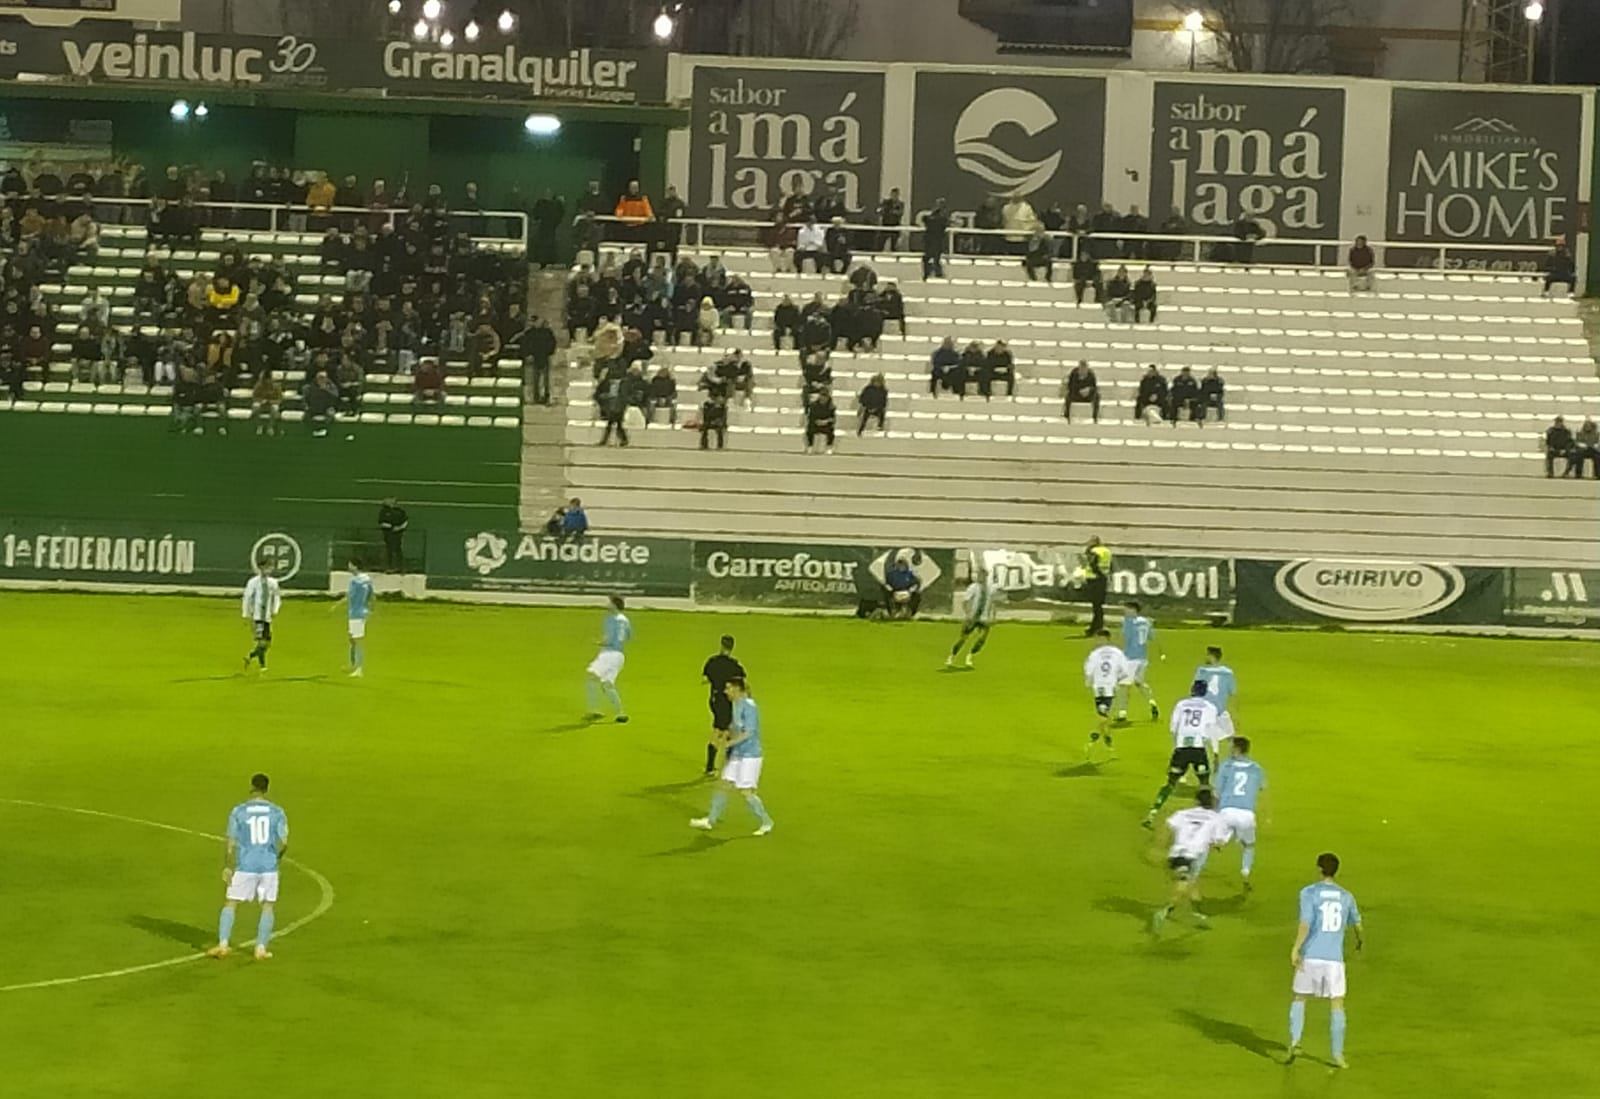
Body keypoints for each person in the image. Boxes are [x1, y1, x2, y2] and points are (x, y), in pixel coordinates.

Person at [1287, 853, 1364, 1069]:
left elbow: (1305, 923)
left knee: (1300, 997)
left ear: (1319, 869)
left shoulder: (1309, 892)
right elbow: (1358, 924)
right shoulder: (1346, 896)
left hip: (1311, 955)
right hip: (1334, 960)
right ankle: (1338, 1055)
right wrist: (1360, 941)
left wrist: (1296, 948)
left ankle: (1295, 1041)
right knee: (1337, 1003)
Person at [207, 773, 289, 961]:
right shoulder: (277, 812)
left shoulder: (239, 811)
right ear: (267, 789)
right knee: (267, 906)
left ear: (252, 787)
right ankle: (260, 949)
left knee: (231, 903)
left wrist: (228, 866)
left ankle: (223, 944)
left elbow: (231, 841)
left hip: (245, 865)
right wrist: (276, 859)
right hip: (268, 865)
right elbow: (284, 842)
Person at [691, 678, 774, 836]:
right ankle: (710, 820)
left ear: (737, 689)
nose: (725, 691)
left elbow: (749, 732)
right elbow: (734, 726)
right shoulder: (735, 705)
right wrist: (727, 736)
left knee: (746, 792)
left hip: (750, 756)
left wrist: (730, 743)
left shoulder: (750, 707)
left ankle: (766, 821)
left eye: (728, 688)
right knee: (724, 784)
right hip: (737, 753)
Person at [1144, 680, 1221, 827]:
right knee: (1204, 783)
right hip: (1198, 749)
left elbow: (1173, 728)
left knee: (1170, 783)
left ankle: (1152, 814)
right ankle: (1210, 819)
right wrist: (1216, 754)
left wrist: (1177, 745)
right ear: (1205, 692)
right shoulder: (1210, 707)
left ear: (1192, 689)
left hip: (1181, 749)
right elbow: (1212, 731)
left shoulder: (1181, 704)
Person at [1151, 788, 1224, 933]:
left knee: (1191, 885)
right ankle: (1164, 911)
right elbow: (1219, 841)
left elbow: (1167, 827)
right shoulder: (1216, 818)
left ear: (1197, 801)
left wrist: (1158, 847)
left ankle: (1197, 915)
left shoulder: (1182, 814)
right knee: (1183, 884)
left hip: (1177, 853)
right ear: (1213, 802)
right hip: (1191, 856)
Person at [1214, 736, 1266, 890]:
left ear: (1237, 749)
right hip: (1246, 814)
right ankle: (1245, 871)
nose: (1229, 750)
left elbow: (1216, 792)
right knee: (1249, 846)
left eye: (1232, 747)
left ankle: (1220, 841)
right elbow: (1262, 790)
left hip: (1227, 811)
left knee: (1214, 839)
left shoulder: (1226, 766)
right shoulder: (1256, 768)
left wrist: (1214, 812)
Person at [701, 635, 746, 776]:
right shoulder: (734, 665)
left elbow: (704, 679)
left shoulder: (712, 661)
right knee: (721, 731)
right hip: (725, 701)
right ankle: (717, 766)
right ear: (732, 647)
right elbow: (742, 680)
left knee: (725, 730)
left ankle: (721, 765)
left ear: (721, 645)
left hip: (714, 699)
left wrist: (716, 680)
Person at [1083, 628, 1130, 759]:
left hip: (1099, 688)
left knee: (1103, 718)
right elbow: (1125, 671)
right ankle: (1099, 743)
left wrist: (1089, 680)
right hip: (1109, 688)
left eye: (1098, 638)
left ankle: (1099, 743)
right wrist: (1116, 679)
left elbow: (1088, 671)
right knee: (1104, 718)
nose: (1097, 641)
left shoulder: (1095, 654)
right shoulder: (1117, 653)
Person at [584, 595, 631, 724]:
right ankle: (621, 713)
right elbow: (628, 636)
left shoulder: (611, 619)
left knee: (591, 678)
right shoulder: (625, 620)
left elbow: (609, 639)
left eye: (609, 602)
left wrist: (600, 642)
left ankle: (594, 711)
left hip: (609, 653)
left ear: (614, 605)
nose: (607, 604)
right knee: (607, 684)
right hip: (619, 655)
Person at [1115, 600, 1161, 721]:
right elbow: (1152, 638)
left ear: (1133, 610)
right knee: (1139, 682)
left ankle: (1122, 712)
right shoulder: (1146, 622)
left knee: (1124, 685)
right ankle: (1152, 702)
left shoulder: (1128, 622)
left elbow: (1125, 639)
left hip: (1131, 657)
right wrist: (1161, 653)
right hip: (1143, 657)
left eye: (1126, 609)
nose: (1124, 612)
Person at [947, 567, 1000, 669]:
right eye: (980, 575)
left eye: (984, 576)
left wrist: (993, 616)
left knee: (982, 639)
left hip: (984, 618)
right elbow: (965, 601)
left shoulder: (991, 589)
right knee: (963, 639)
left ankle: (970, 656)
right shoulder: (973, 588)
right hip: (973, 617)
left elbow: (993, 604)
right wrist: (968, 614)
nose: (982, 578)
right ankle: (952, 656)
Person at [241, 561, 282, 672]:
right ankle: (262, 665)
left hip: (267, 617)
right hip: (257, 616)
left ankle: (250, 657)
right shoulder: (253, 582)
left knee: (267, 643)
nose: (268, 570)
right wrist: (246, 614)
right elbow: (247, 598)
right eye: (266, 568)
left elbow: (277, 597)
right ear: (260, 569)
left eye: (270, 568)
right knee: (262, 642)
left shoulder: (273, 583)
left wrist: (275, 610)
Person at [338, 560, 374, 677]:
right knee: (352, 639)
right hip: (362, 612)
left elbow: (350, 595)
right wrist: (370, 608)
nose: (349, 567)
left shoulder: (354, 580)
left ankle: (359, 668)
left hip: (355, 613)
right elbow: (371, 594)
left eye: (350, 565)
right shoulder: (367, 579)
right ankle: (353, 664)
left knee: (357, 640)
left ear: (355, 566)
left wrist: (338, 604)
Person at [1195, 645, 1238, 740]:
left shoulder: (1202, 671)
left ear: (1212, 656)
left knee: (1201, 738)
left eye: (1207, 655)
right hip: (1220, 711)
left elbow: (1195, 692)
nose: (1205, 657)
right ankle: (1235, 754)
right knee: (1231, 737)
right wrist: (1235, 715)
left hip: (1205, 711)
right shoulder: (1228, 673)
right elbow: (1233, 693)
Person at [1080, 534, 1112, 635]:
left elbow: (1093, 564)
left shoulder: (1094, 551)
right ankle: (1097, 626)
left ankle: (1096, 627)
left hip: (1094, 579)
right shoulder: (1107, 551)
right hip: (1103, 579)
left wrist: (1099, 574)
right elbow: (1110, 566)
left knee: (1096, 606)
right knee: (1099, 605)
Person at [921, 199, 950, 279]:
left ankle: (937, 273)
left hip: (936, 240)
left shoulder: (942, 218)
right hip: (931, 240)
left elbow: (942, 223)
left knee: (935, 258)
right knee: (928, 258)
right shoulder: (934, 216)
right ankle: (928, 273)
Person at [378, 497, 409, 573]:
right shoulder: (384, 511)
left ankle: (400, 567)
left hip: (398, 535)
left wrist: (399, 528)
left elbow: (405, 521)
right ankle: (389, 567)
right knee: (389, 550)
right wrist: (391, 527)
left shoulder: (400, 511)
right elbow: (381, 523)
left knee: (398, 550)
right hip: (388, 535)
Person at [805, 388, 838, 455]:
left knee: (831, 431)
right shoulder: (813, 405)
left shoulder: (831, 407)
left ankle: (829, 447)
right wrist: (817, 421)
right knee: (810, 429)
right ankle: (810, 446)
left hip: (826, 424)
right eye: (822, 395)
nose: (823, 398)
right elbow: (810, 417)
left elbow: (833, 418)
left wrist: (825, 421)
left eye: (825, 396)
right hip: (816, 423)